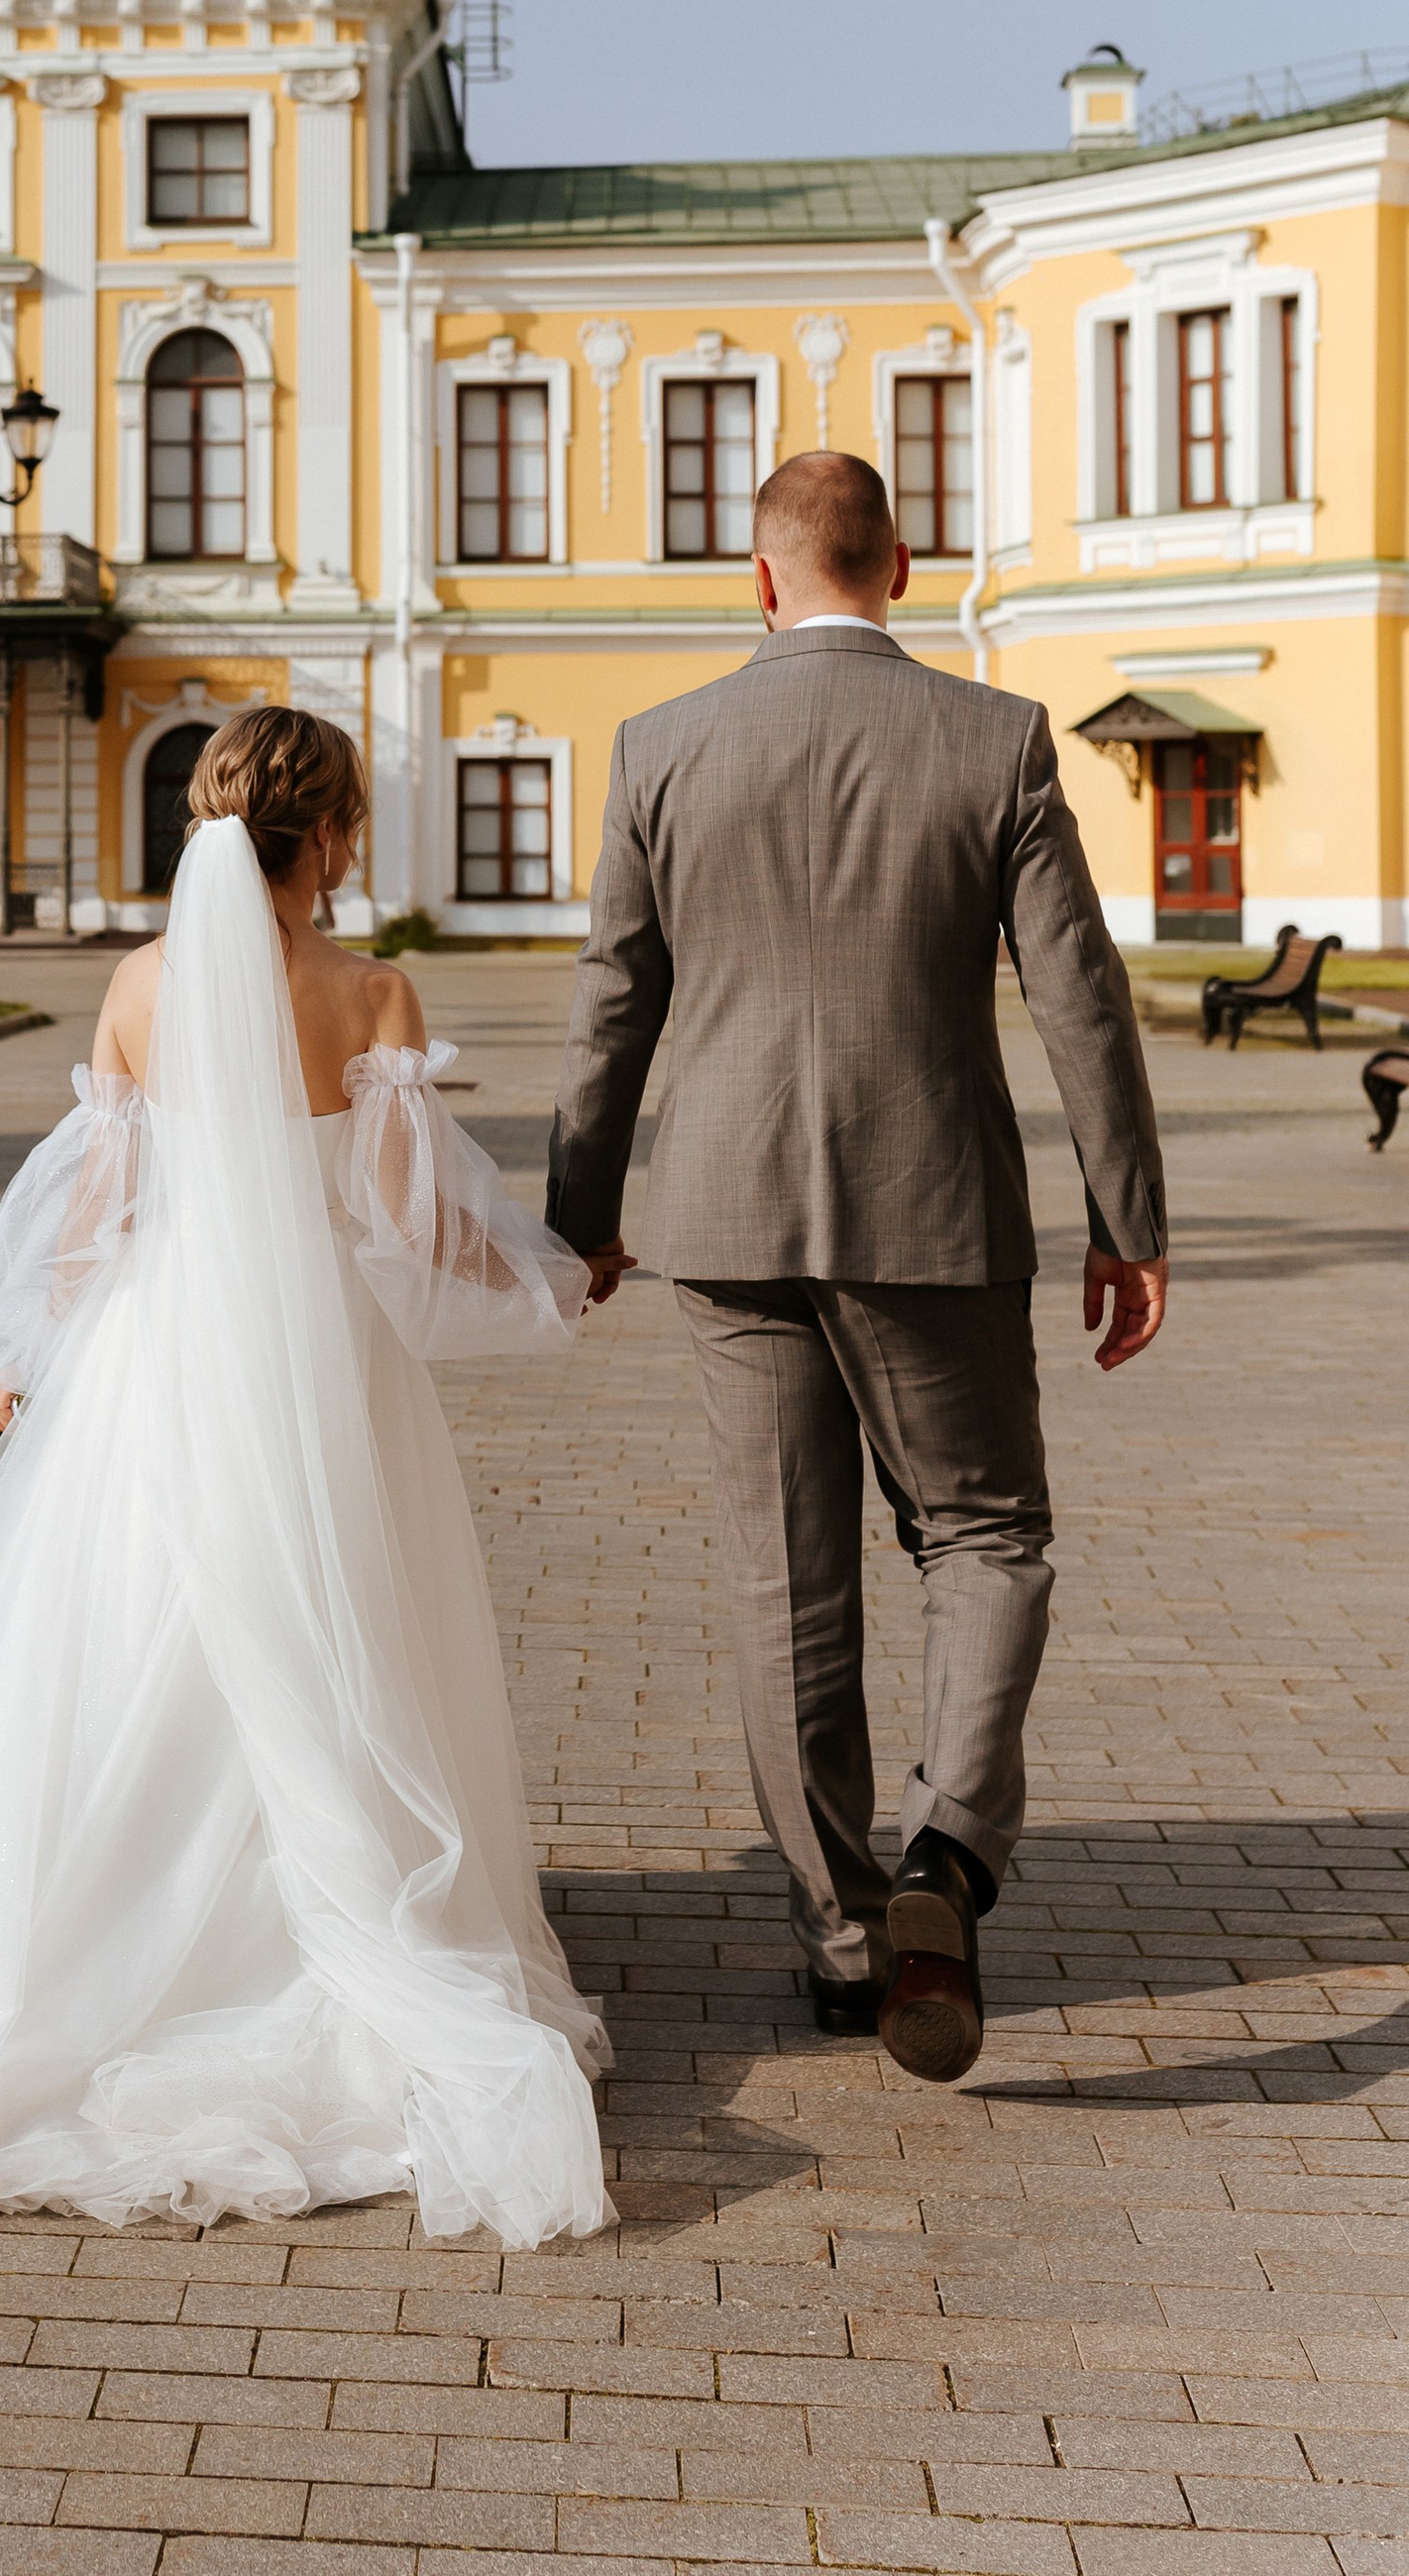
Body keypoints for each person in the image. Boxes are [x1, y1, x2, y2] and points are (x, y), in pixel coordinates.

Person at [0, 707, 612, 2246]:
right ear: (331, 835)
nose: (359, 847)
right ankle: (310, 1934)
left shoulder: (136, 988)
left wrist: (17, 1360)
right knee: (324, 1629)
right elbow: (411, 1227)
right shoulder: (368, 993)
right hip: (314, 1365)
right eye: (354, 822)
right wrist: (552, 1275)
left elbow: (93, 1210)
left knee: (115, 1642)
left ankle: (63, 1947)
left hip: (153, 1361)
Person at [547, 449, 1166, 2083]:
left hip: (724, 1219)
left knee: (786, 1582)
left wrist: (578, 1213)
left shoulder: (662, 747)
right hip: (934, 1212)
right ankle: (946, 1864)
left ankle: (839, 1943)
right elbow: (1079, 997)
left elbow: (616, 999)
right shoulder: (996, 737)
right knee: (987, 1533)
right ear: (899, 564)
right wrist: (1130, 1218)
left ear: (761, 580)